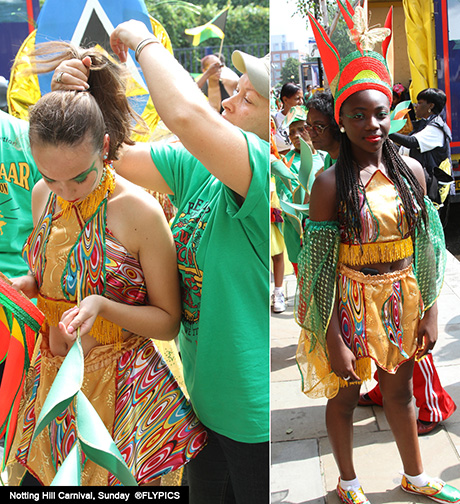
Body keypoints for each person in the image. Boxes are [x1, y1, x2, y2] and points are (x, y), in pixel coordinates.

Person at [53, 19, 270, 503]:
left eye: (247, 99)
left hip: (252, 418)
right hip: (203, 403)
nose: (228, 102)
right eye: (233, 91)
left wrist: (141, 38)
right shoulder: (201, 171)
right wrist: (86, 93)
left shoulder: (261, 174)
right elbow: (112, 157)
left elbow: (186, 116)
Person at [8, 43, 207, 486]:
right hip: (51, 385)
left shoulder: (138, 211)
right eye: (50, 178)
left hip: (124, 396)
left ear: (103, 146)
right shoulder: (43, 197)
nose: (66, 191)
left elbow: (168, 322)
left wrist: (103, 306)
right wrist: (28, 285)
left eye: (79, 176)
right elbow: (56, 276)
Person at [296, 5, 460, 504]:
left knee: (400, 394)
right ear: (341, 121)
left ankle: (415, 475)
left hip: (403, 296)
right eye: (358, 115)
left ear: (393, 112)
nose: (372, 124)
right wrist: (331, 338)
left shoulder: (412, 171)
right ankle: (348, 483)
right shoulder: (329, 184)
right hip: (350, 303)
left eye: (381, 113)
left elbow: (428, 248)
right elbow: (317, 272)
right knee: (344, 398)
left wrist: (430, 311)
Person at [389, 87, 453, 205]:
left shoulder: (436, 128)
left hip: (430, 190)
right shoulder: (423, 126)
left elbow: (411, 142)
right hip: (418, 185)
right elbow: (405, 151)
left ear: (431, 106)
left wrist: (385, 131)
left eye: (419, 103)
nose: (415, 106)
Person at [305, 89, 340, 171]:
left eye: (318, 127)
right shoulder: (329, 158)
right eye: (309, 126)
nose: (312, 134)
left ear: (336, 126)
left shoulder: (351, 162)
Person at [272, 82, 303, 155]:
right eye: (297, 99)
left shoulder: (304, 119)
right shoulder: (273, 120)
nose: (301, 102)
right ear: (285, 100)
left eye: (302, 98)